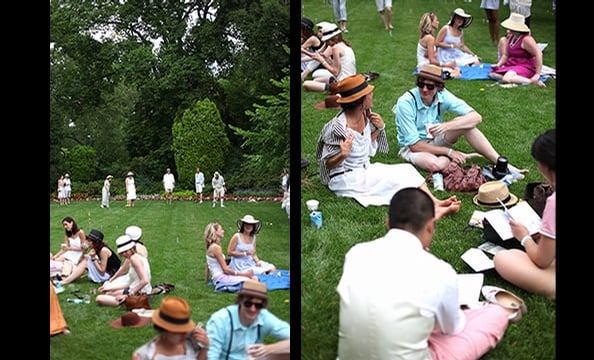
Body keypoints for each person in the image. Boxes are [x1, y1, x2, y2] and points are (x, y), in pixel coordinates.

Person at [336, 187, 510, 360]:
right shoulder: (439, 271)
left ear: (388, 223)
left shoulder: (356, 253)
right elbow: (452, 328)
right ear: (430, 227)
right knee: (495, 314)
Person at [316, 73, 461, 218]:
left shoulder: (366, 115)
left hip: (363, 169)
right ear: (360, 100)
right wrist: (343, 154)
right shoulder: (337, 128)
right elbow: (328, 164)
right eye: (369, 93)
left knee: (406, 170)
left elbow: (364, 144)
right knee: (395, 182)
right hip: (345, 178)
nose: (372, 94)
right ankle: (432, 209)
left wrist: (379, 128)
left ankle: (435, 202)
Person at [393, 63, 528, 177]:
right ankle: (452, 158)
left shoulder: (442, 95)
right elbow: (415, 145)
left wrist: (448, 125)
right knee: (435, 165)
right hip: (412, 148)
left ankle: (501, 163)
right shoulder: (405, 102)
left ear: (439, 87)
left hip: (435, 138)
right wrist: (449, 152)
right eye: (421, 84)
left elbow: (476, 117)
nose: (424, 89)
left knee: (467, 125)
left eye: (430, 86)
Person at [493, 129, 556, 299]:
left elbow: (542, 261)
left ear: (546, 166)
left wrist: (524, 237)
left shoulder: (554, 203)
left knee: (502, 259)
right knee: (515, 255)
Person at [206, 281, 290, 360]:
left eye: (258, 305)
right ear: (240, 301)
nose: (253, 309)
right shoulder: (220, 320)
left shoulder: (263, 316)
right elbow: (211, 356)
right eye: (248, 304)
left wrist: (269, 349)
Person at [132, 296, 209, 360]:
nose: (184, 334)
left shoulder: (190, 340)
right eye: (177, 331)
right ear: (164, 329)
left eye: (185, 329)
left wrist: (206, 345)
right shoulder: (144, 356)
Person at [489, 13, 545, 87]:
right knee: (492, 74)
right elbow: (506, 55)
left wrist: (537, 74)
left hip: (525, 66)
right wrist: (498, 65)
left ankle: (532, 82)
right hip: (514, 65)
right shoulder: (512, 37)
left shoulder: (526, 39)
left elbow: (539, 54)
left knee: (506, 78)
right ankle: (519, 80)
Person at [96, 234, 152, 306]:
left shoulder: (134, 259)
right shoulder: (135, 256)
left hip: (141, 294)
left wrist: (127, 295)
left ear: (131, 248)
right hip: (139, 290)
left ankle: (124, 302)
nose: (124, 254)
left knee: (99, 298)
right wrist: (108, 287)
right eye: (122, 253)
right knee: (109, 293)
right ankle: (123, 300)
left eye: (126, 251)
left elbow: (145, 280)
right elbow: (130, 281)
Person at [303, 23, 356, 92]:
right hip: (351, 78)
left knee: (306, 84)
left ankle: (333, 88)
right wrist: (327, 59)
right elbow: (337, 67)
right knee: (316, 80)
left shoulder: (335, 48)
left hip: (344, 82)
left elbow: (335, 72)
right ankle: (333, 84)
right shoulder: (344, 44)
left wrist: (322, 61)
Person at [204, 222, 257, 287]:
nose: (223, 231)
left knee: (253, 279)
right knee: (252, 281)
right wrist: (244, 274)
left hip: (219, 276)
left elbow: (208, 265)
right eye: (221, 230)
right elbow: (225, 270)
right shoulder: (216, 248)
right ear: (216, 232)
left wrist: (206, 279)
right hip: (221, 277)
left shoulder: (212, 246)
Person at [417, 12, 460, 78]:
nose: (438, 22)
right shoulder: (430, 38)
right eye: (436, 20)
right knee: (456, 72)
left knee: (456, 70)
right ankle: (445, 74)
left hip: (424, 66)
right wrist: (446, 65)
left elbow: (426, 54)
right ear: (431, 23)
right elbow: (432, 60)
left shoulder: (426, 36)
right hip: (425, 68)